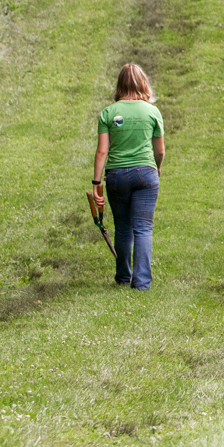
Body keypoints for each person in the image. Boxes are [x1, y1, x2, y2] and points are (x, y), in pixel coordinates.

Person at [91, 64, 165, 290]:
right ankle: (141, 282)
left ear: (120, 85)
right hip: (146, 174)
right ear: (143, 83)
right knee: (143, 227)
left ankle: (123, 276)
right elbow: (160, 150)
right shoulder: (152, 111)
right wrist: (157, 167)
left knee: (123, 227)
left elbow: (102, 151)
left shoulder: (109, 113)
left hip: (116, 175)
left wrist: (96, 183)